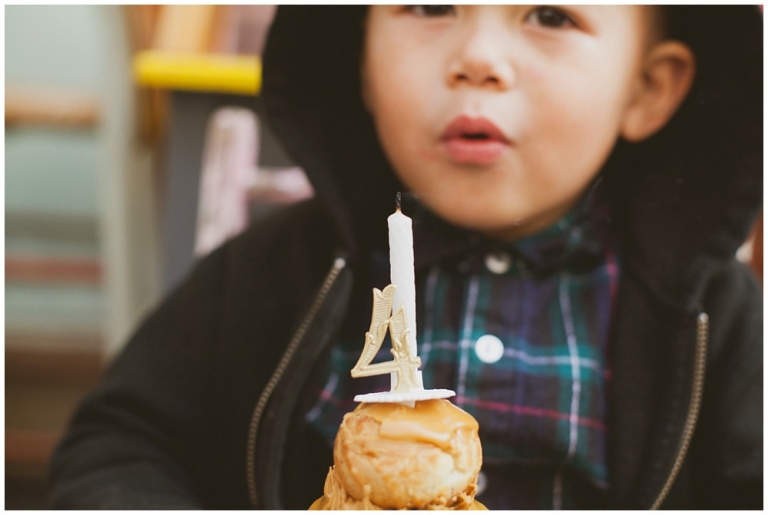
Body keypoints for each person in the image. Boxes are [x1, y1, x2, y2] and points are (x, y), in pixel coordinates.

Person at [49, 5, 762, 510]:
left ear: (647, 88)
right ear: (358, 54)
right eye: (429, 5)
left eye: (550, 16)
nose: (478, 59)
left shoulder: (713, 318)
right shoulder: (269, 272)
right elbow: (123, 442)